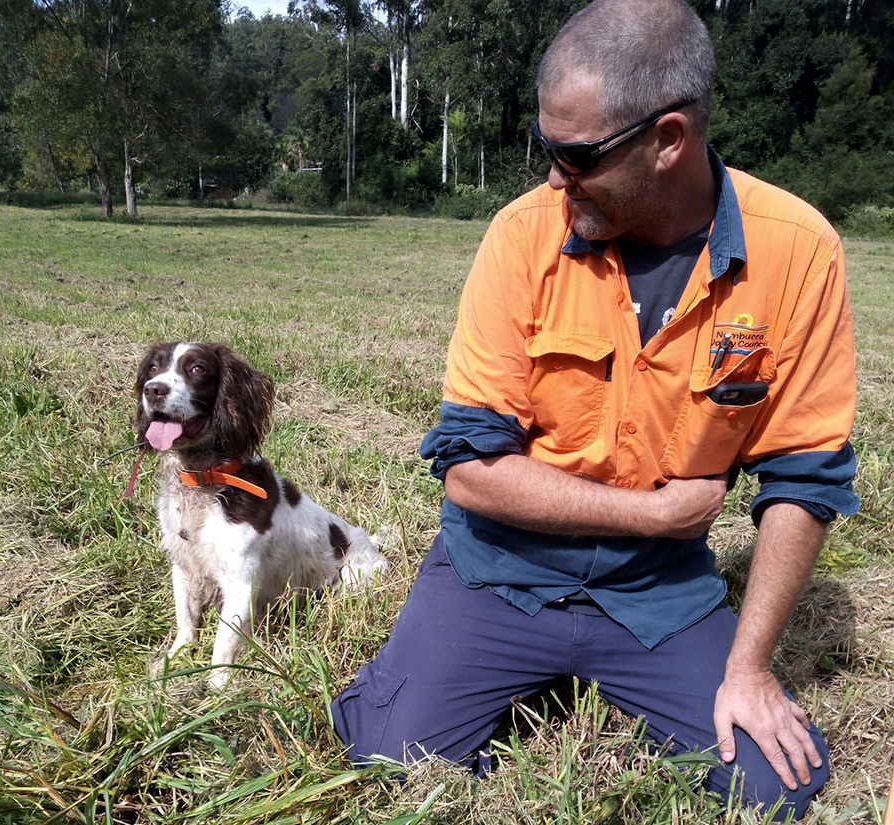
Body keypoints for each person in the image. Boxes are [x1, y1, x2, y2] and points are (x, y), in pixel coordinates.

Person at [330, 0, 859, 819]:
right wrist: (654, 515)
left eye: (573, 156)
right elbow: (470, 472)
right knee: (385, 763)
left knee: (773, 787)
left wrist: (750, 667)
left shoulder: (798, 251)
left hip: (657, 592)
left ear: (668, 140)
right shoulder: (521, 237)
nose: (551, 176)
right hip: (497, 569)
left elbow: (804, 477)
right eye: (547, 149)